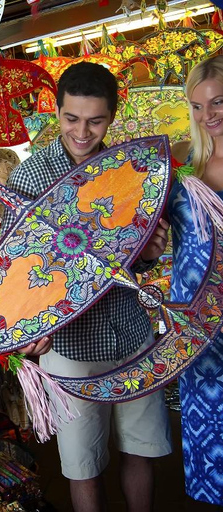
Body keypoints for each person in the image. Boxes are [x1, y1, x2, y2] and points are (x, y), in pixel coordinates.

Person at [3, 62, 172, 512]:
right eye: (71, 118)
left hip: (132, 330)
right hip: (70, 343)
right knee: (83, 464)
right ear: (56, 112)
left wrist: (151, 251)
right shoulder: (30, 179)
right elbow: (16, 269)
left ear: (111, 117)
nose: (82, 131)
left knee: (141, 448)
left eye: (95, 120)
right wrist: (28, 329)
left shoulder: (129, 172)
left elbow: (136, 250)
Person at [168, 55, 223, 507]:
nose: (210, 116)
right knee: (208, 447)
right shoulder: (187, 170)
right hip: (198, 331)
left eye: (220, 102)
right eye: (199, 107)